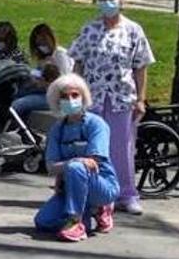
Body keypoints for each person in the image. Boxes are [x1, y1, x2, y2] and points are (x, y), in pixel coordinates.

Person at [68, 0, 154, 215]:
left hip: (122, 98)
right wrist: (74, 92)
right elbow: (78, 62)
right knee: (95, 147)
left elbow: (141, 66)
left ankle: (127, 195)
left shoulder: (133, 30)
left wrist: (141, 99)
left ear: (121, 0)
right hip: (94, 98)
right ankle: (97, 194)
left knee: (122, 147)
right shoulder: (90, 29)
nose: (108, 2)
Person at [34, 74, 119, 242]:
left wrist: (68, 165)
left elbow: (94, 161)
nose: (70, 100)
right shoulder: (57, 129)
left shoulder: (96, 124)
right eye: (64, 97)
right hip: (70, 187)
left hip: (102, 184)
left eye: (75, 95)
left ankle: (78, 221)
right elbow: (50, 166)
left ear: (83, 96)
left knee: (77, 167)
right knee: (43, 221)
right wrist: (70, 165)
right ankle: (90, 212)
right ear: (57, 102)